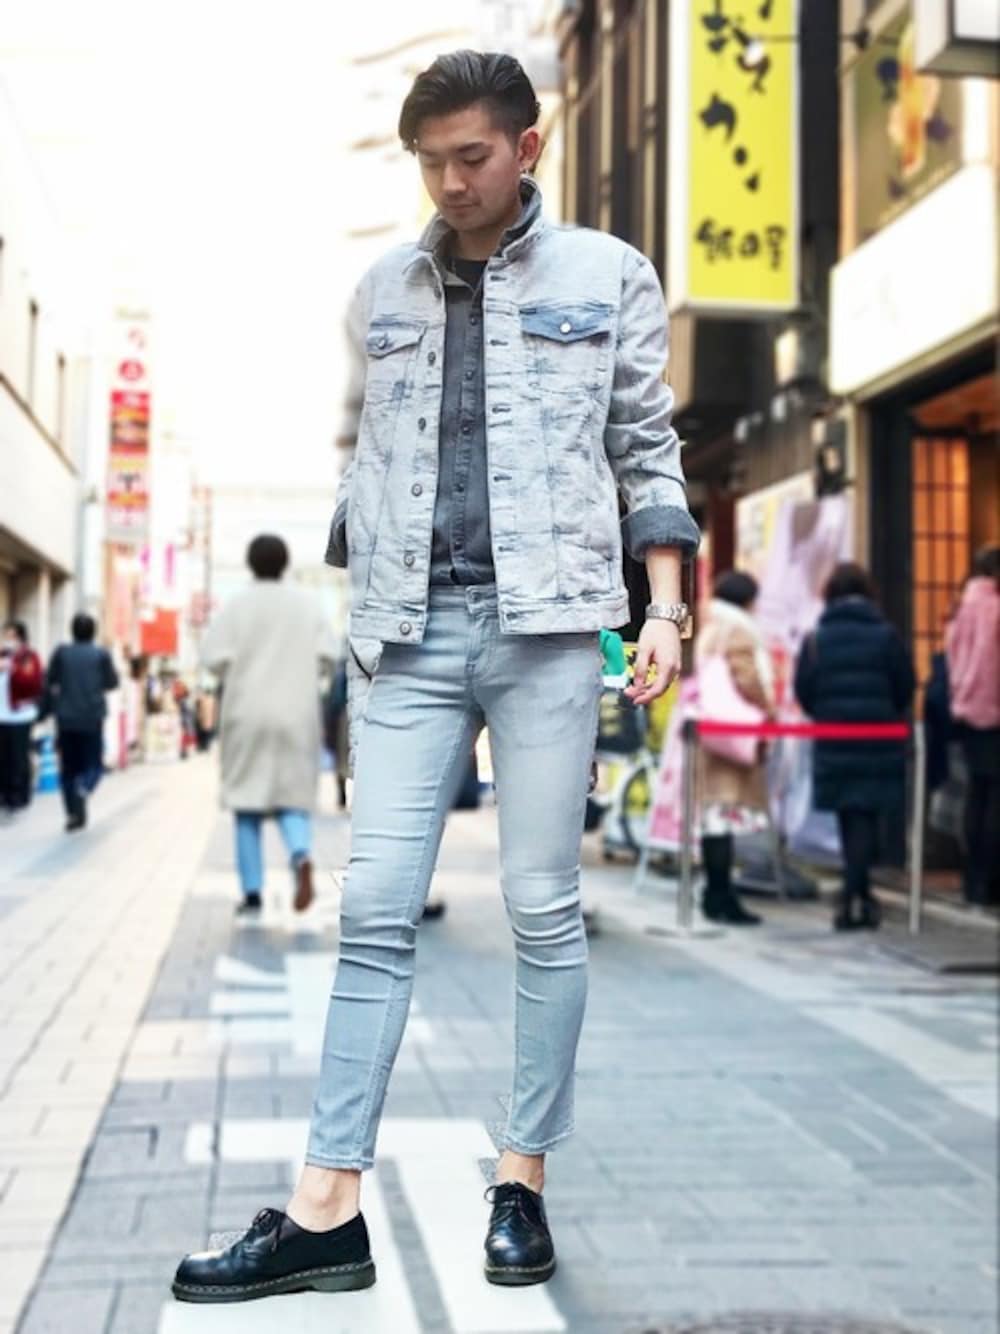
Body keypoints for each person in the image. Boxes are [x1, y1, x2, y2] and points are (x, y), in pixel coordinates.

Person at [173, 50, 698, 1305]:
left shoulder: (608, 275)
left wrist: (667, 608)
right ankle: (326, 1208)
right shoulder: (380, 288)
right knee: (372, 911)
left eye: (472, 157)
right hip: (409, 632)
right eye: (430, 162)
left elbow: (645, 442)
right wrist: (363, 574)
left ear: (528, 146)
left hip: (550, 628)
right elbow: (358, 438)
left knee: (541, 906)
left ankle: (520, 1178)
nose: (451, 183)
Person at [201, 534, 336, 918]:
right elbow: (329, 656)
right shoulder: (307, 606)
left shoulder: (236, 606)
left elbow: (212, 658)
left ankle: (252, 892)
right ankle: (300, 854)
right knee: (292, 797)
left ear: (251, 563)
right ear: (284, 563)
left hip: (246, 713)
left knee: (246, 803)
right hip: (296, 714)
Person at [794, 562, 915, 930]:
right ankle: (857, 893)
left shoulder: (817, 638)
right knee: (868, 813)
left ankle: (853, 894)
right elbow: (905, 685)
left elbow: (804, 689)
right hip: (878, 737)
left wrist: (826, 712)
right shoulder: (886, 635)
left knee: (849, 815)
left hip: (834, 738)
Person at [694, 571, 775, 926]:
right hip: (733, 735)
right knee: (723, 817)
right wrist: (768, 708)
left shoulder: (711, 627)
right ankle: (722, 895)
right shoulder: (738, 630)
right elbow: (748, 678)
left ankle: (715, 893)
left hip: (712, 732)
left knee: (715, 819)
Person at [946, 547, 1000, 905]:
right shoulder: (994, 608)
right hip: (993, 709)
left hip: (967, 710)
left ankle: (973, 876)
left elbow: (954, 656)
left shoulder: (963, 607)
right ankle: (990, 878)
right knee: (995, 796)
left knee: (977, 792)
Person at [45, 614, 119, 832]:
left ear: (72, 630)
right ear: (93, 631)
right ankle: (84, 788)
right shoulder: (101, 654)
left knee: (69, 768)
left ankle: (73, 815)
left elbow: (49, 679)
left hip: (65, 719)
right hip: (91, 718)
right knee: (93, 765)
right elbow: (112, 682)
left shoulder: (61, 652)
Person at [0, 620, 45, 814]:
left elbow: (32, 683)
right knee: (3, 758)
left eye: (12, 636)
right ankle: (4, 794)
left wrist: (13, 668)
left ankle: (20, 795)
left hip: (20, 716)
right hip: (2, 715)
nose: (8, 640)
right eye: (5, 636)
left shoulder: (28, 657)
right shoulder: (2, 655)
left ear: (20, 637)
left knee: (18, 757)